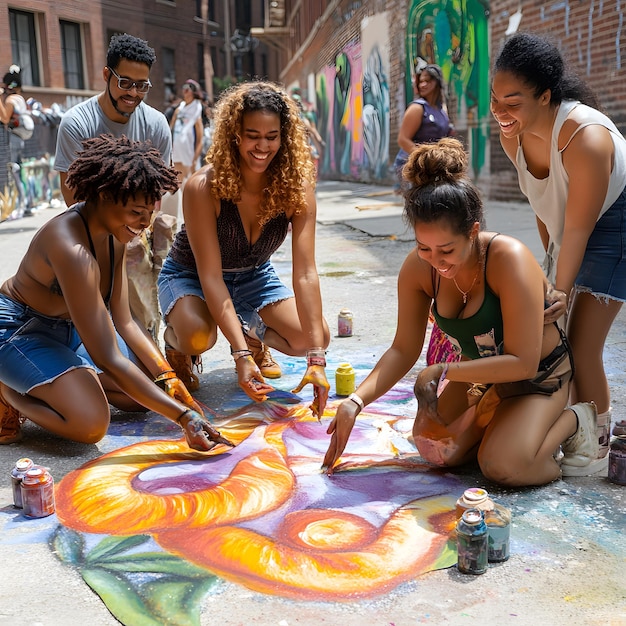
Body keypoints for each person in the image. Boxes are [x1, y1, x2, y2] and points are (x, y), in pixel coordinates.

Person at [323, 138, 603, 486]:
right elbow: (403, 348)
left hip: (538, 378)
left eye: (447, 250)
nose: (436, 261)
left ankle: (574, 423)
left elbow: (523, 362)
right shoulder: (418, 270)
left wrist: (444, 370)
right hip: (480, 379)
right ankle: (504, 422)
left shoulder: (507, 258)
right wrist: (355, 401)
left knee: (504, 467)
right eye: (424, 247)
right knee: (436, 450)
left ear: (473, 233)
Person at [0, 134, 231, 452]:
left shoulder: (114, 234)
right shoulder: (71, 248)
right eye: (138, 212)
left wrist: (167, 377)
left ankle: (59, 383)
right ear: (105, 195)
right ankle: (9, 392)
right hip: (19, 332)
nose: (146, 223)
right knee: (91, 422)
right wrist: (185, 417)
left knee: (147, 389)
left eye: (150, 212)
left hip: (69, 330)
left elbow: (125, 322)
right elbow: (106, 356)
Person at [157, 81, 331, 416]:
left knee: (315, 334)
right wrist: (240, 357)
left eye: (272, 136)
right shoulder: (203, 187)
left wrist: (316, 358)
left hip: (254, 275)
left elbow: (305, 272)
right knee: (197, 336)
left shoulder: (296, 188)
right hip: (191, 275)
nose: (262, 146)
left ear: (284, 137)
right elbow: (210, 275)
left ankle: (253, 333)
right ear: (234, 134)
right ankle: (175, 342)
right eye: (252, 135)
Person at [491, 31, 625, 449]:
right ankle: (577, 425)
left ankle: (596, 442)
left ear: (546, 96)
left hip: (617, 222)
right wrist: (549, 268)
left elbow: (581, 229)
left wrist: (560, 291)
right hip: (576, 225)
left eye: (513, 103)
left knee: (582, 344)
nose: (500, 112)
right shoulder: (511, 135)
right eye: (495, 100)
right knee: (555, 336)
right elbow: (544, 204)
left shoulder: (584, 137)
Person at [54, 33, 174, 340]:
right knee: (128, 254)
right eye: (125, 83)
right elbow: (72, 199)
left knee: (168, 240)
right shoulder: (77, 123)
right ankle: (131, 346)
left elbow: (155, 196)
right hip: (92, 226)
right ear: (107, 75)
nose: (133, 93)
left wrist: (135, 226)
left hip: (138, 221)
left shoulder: (157, 123)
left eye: (142, 85)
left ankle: (172, 345)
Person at [393, 64, 452, 191]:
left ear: (437, 82)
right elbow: (403, 140)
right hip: (413, 164)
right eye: (420, 82)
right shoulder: (417, 108)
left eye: (427, 81)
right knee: (419, 205)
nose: (422, 85)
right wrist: (425, 158)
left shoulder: (442, 109)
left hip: (432, 164)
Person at [0, 65, 29, 218]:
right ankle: (27, 205)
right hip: (22, 138)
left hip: (14, 139)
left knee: (15, 172)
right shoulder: (20, 99)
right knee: (20, 171)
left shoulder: (11, 100)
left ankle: (21, 206)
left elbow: (5, 119)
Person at [170, 79, 204, 183]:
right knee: (177, 184)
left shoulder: (197, 111)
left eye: (187, 89)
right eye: (183, 88)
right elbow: (170, 129)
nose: (184, 91)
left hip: (189, 155)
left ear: (193, 92)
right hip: (176, 152)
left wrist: (195, 159)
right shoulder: (179, 109)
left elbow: (200, 139)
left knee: (190, 184)